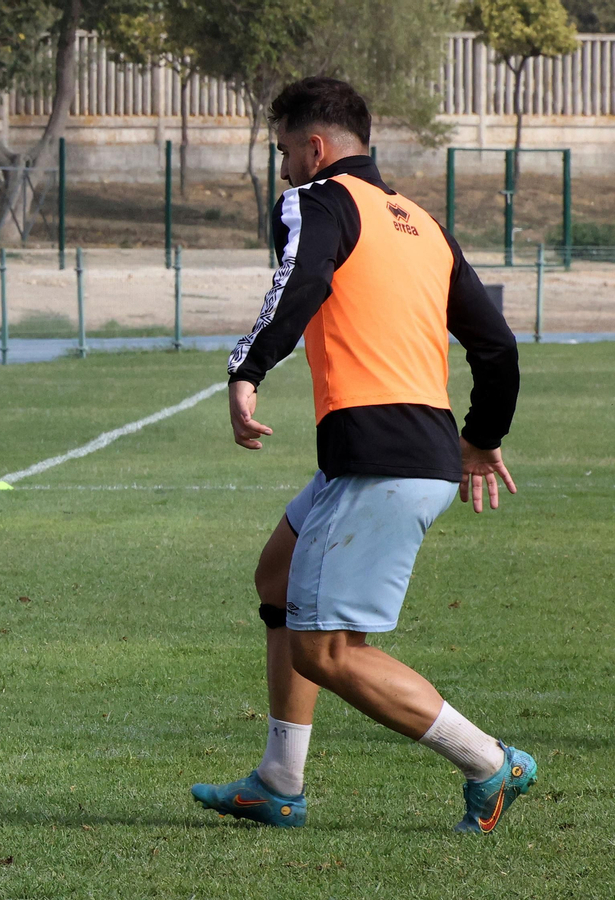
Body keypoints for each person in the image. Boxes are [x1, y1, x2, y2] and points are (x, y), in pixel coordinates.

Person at [191, 77, 530, 833]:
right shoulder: (423, 224)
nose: (283, 169)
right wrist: (482, 437)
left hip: (380, 459)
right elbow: (498, 347)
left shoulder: (318, 200)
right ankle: (279, 781)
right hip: (411, 452)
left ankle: (490, 762)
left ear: (315, 148)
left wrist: (247, 368)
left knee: (326, 653)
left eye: (285, 151)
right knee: (276, 577)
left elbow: (300, 280)